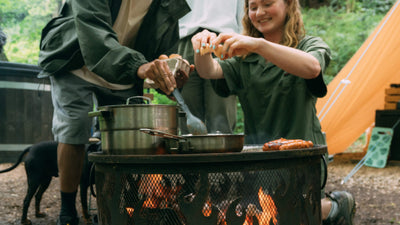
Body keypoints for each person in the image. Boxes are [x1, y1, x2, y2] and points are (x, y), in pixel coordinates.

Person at [190, 0, 355, 224]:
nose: (259, 12)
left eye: (268, 3)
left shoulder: (307, 45)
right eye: (253, 7)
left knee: (292, 217)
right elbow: (209, 71)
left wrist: (259, 45)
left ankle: (331, 208)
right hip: (260, 160)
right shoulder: (244, 57)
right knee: (263, 217)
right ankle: (326, 209)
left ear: (288, 5)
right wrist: (202, 47)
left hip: (302, 159)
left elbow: (312, 68)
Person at [37, 0, 190, 224]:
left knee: (125, 136)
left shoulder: (168, 2)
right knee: (74, 127)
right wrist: (140, 67)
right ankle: (67, 211)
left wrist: (170, 72)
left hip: (123, 69)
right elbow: (95, 37)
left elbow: (164, 51)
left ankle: (114, 207)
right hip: (75, 59)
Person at [177, 0, 244, 134]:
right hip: (186, 39)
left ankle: (223, 153)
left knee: (221, 115)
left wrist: (242, 40)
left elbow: (244, 8)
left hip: (224, 39)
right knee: (187, 115)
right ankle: (187, 153)